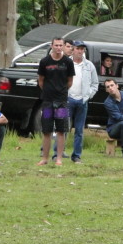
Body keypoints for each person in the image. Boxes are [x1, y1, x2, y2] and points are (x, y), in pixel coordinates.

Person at [54, 40, 98, 164]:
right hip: (67, 100)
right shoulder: (65, 63)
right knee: (62, 127)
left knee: (79, 130)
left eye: (82, 49)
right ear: (73, 49)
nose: (80, 51)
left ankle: (76, 155)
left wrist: (88, 95)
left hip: (82, 101)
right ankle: (57, 153)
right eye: (77, 48)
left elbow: (95, 84)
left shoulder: (89, 66)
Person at [37, 37, 75, 166]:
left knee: (61, 129)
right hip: (47, 102)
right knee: (46, 130)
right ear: (51, 45)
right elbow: (41, 80)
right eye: (56, 45)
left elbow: (70, 81)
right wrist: (48, 91)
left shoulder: (68, 62)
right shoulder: (44, 61)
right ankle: (45, 158)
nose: (58, 48)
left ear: (64, 46)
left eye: (61, 45)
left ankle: (58, 158)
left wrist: (61, 91)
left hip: (61, 102)